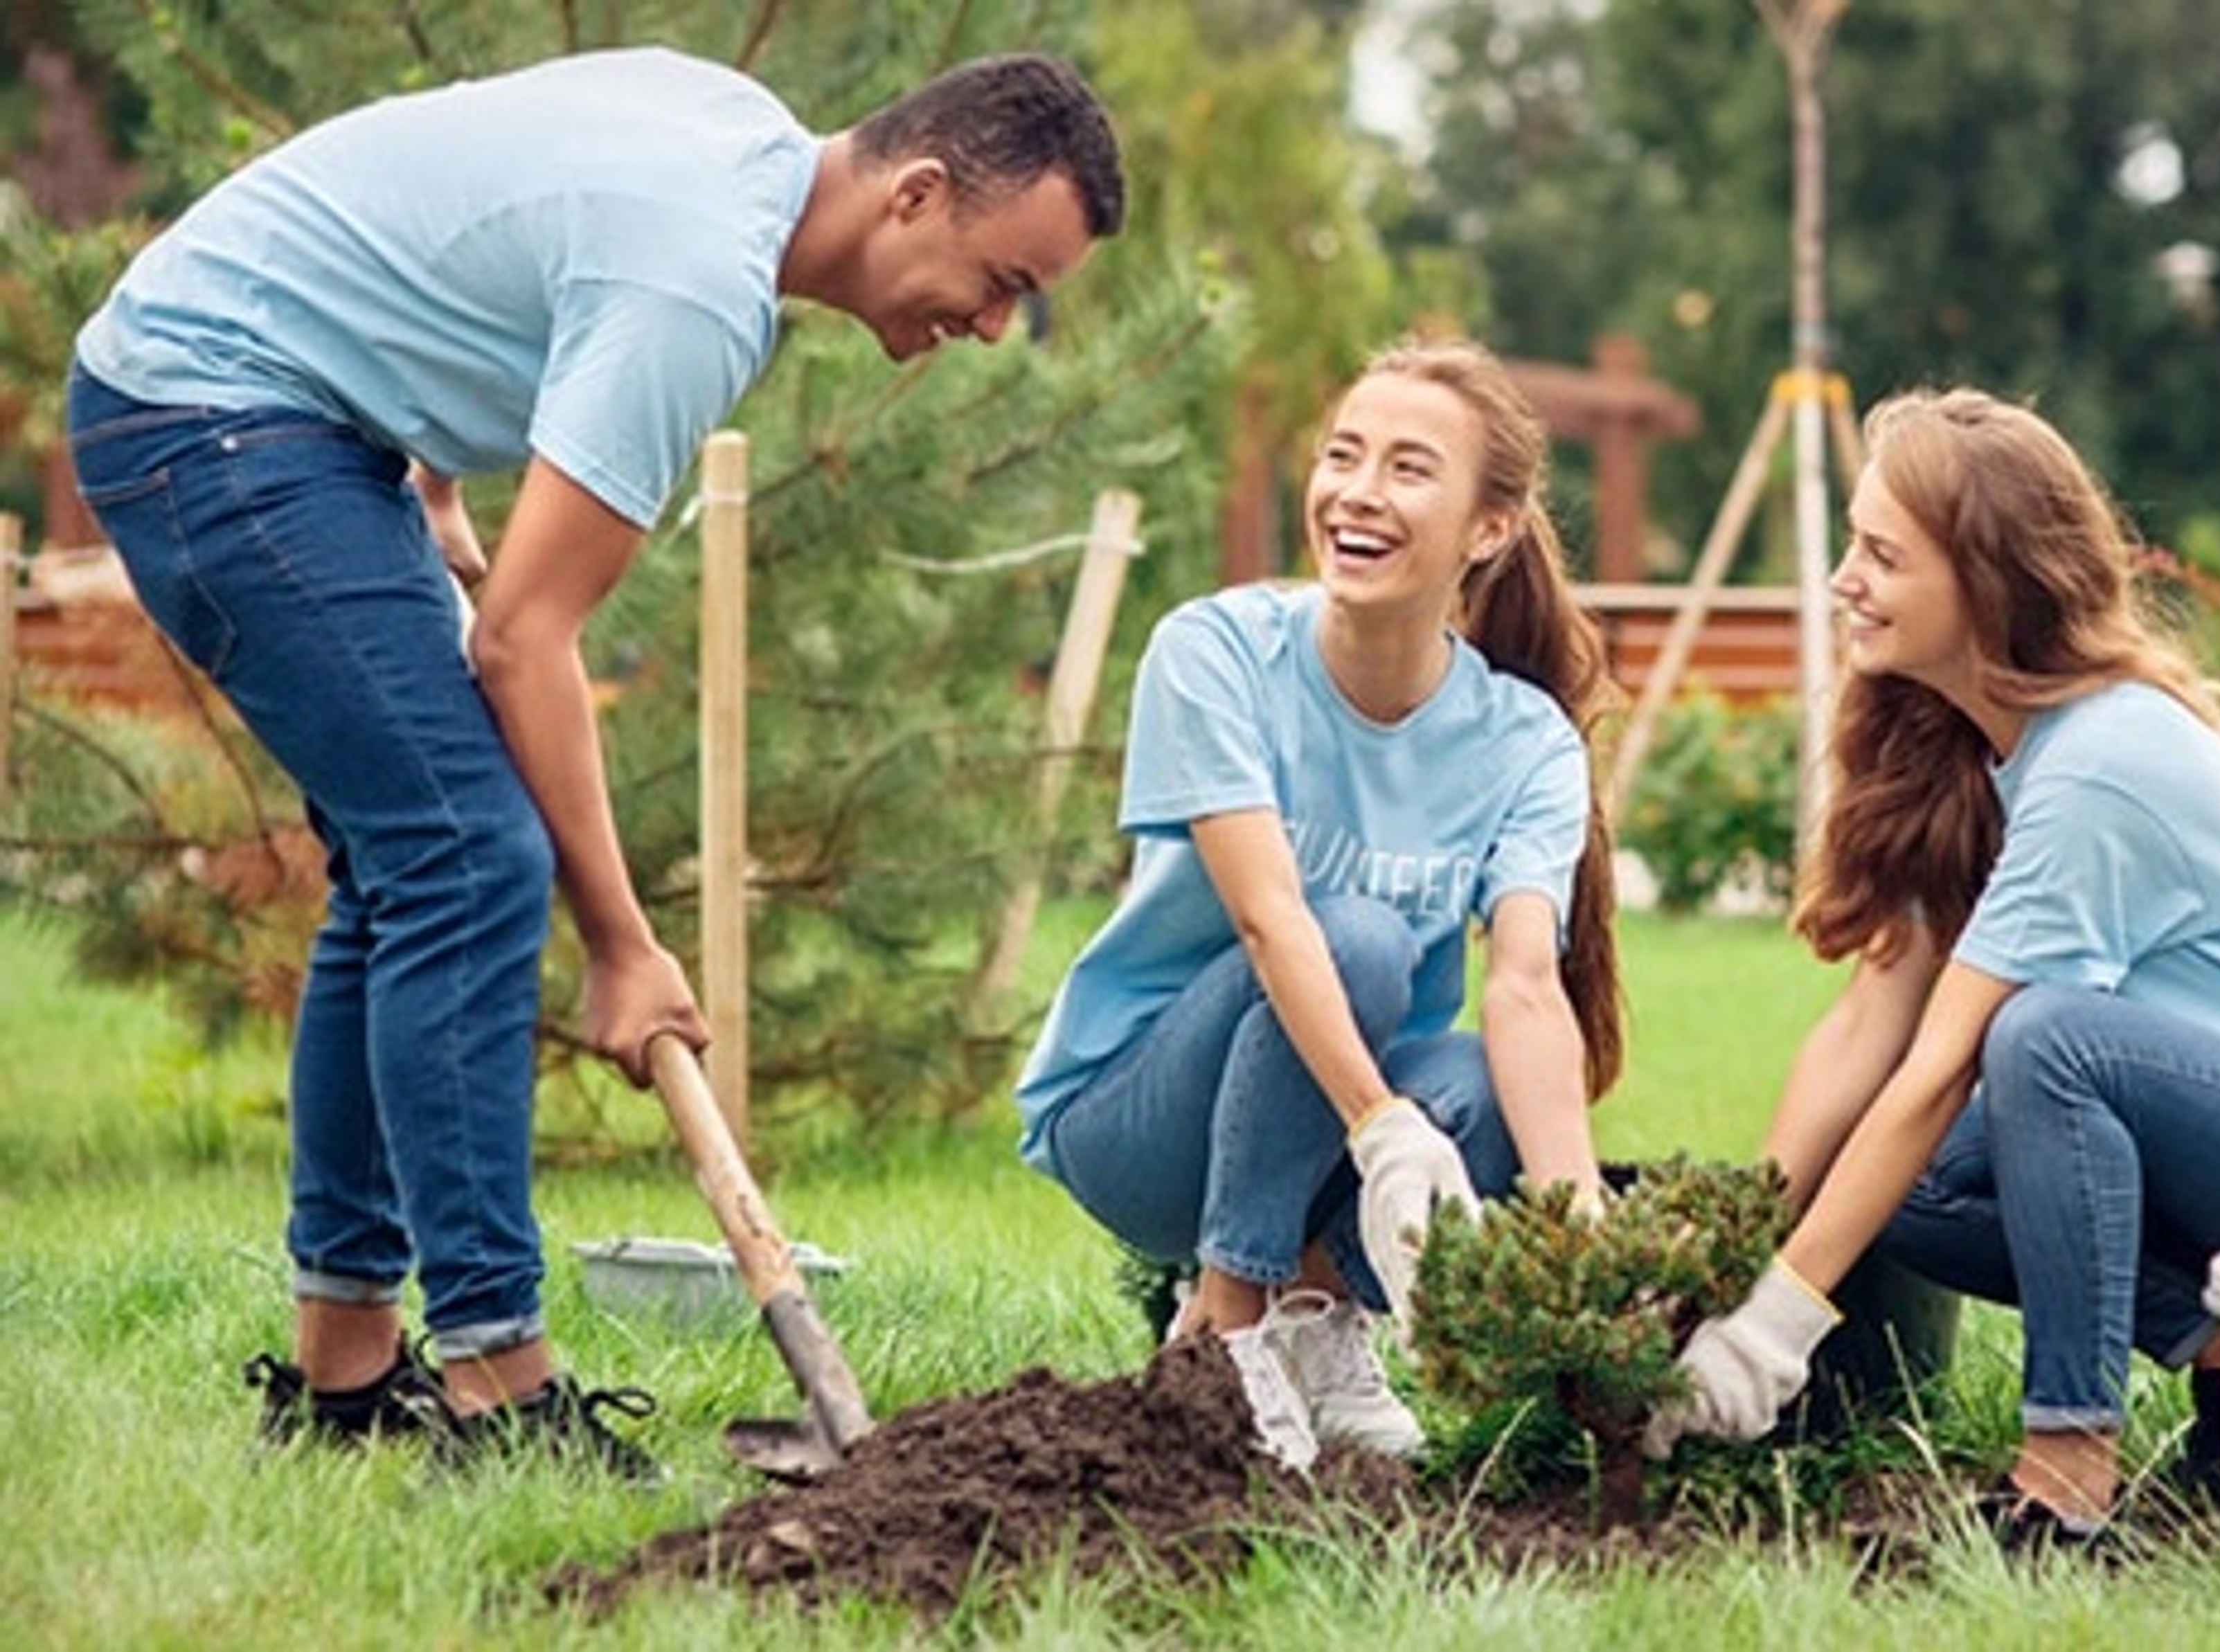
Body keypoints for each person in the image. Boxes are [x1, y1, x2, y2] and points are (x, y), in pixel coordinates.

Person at [65, 46, 1125, 1478]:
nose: (998, 326)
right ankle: (500, 1389)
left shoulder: (738, 138)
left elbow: (473, 189)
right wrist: (624, 949)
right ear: (918, 191)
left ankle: (346, 1379)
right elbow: (525, 645)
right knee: (465, 854)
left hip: (283, 405)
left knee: (404, 870)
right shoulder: (698, 285)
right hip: (220, 408)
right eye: (1003, 280)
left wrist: (433, 466)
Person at [1641, 388, 2220, 1549]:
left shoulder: (2101, 760)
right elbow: (1870, 1027)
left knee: (2048, 1042)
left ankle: (2066, 1466)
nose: (1845, 577)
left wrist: (1773, 1332)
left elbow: (1943, 1064)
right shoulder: (1971, 750)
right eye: (1853, 542)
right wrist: (1717, 1261)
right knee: (1904, 1178)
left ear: (1987, 584)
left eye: (1882, 554)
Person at [1014, 336, 1622, 1466]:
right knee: (1358, 936)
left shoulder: (1523, 738)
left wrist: (1580, 1237)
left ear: (1489, 529)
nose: (1356, 491)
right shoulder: (1218, 651)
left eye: (1406, 467)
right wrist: (1383, 1124)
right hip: (1143, 1117)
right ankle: (1224, 1330)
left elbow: (1529, 987)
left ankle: (1316, 1312)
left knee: (1491, 1088)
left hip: (1323, 1117)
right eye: (1343, 455)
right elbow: (1271, 921)